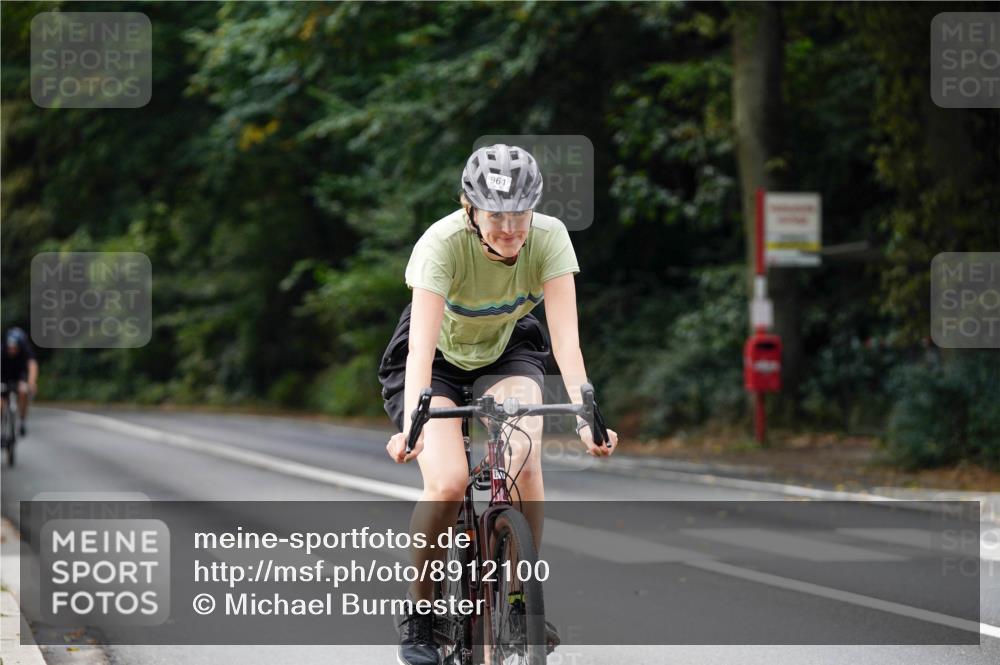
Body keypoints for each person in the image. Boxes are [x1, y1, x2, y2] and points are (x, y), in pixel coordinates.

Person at [379, 144, 619, 665]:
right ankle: (421, 617)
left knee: (526, 461)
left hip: (506, 349)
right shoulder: (440, 245)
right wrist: (413, 427)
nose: (510, 230)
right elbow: (420, 346)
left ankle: (517, 599)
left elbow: (567, 342)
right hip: (435, 360)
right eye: (496, 217)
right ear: (469, 207)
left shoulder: (550, 238)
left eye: (520, 215)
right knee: (447, 482)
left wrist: (586, 415)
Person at [1, 327, 38, 437]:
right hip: (3, 376)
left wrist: (31, 382)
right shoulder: (1, 350)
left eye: (15, 348)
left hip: (20, 376)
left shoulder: (26, 351)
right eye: (10, 348)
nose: (12, 350)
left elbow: (32, 365)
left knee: (23, 391)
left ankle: (22, 420)